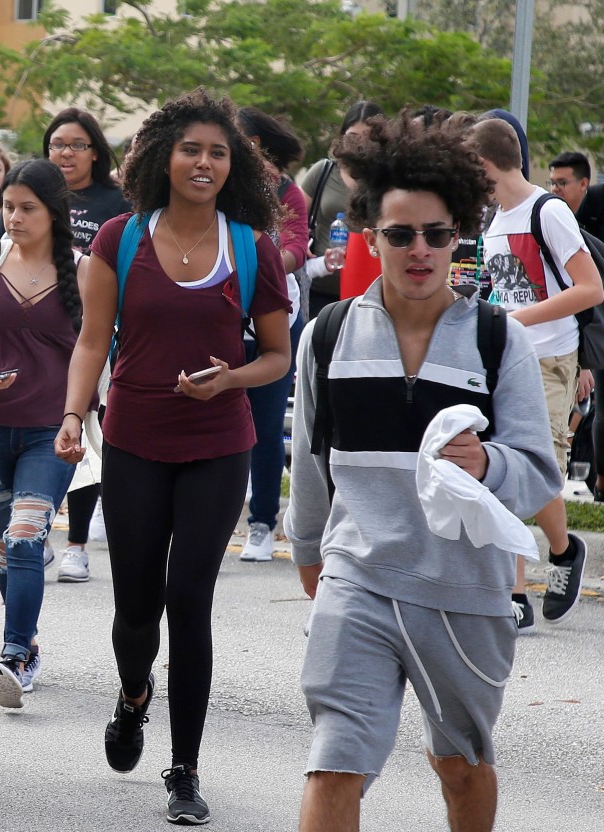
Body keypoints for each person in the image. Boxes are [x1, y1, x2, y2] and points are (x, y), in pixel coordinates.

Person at [285, 114, 561, 832]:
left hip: (464, 593)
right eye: (401, 234)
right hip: (358, 579)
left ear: (458, 237)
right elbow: (310, 461)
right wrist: (312, 551)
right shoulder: (330, 334)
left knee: (461, 765)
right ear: (369, 235)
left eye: (438, 234)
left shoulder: (501, 342)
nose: (420, 250)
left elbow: (537, 474)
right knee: (334, 759)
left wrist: (488, 463)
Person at [55, 88, 291, 825]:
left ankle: (184, 769)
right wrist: (72, 412)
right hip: (133, 439)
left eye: (219, 152)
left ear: (234, 167)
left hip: (220, 445)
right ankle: (133, 698)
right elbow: (93, 339)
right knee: (136, 607)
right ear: (164, 156)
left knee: (190, 601)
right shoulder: (119, 239)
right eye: (192, 148)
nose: (204, 162)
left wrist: (231, 378)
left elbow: (278, 356)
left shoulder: (251, 248)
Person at [469, 117, 603, 629]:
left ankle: (565, 550)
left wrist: (515, 318)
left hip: (550, 358)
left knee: (540, 467)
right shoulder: (493, 220)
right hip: (505, 359)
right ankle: (516, 595)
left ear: (485, 164)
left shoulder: (546, 212)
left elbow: (590, 288)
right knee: (507, 467)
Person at [0, 158, 87, 707]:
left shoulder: (85, 272)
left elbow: (99, 353)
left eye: (27, 208)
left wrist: (78, 416)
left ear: (55, 212)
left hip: (50, 432)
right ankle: (30, 642)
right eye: (9, 207)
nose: (13, 217)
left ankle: (14, 654)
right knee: (3, 548)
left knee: (23, 537)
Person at [39, 107, 133, 582]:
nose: (66, 153)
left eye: (77, 145)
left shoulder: (116, 202)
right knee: (40, 432)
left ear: (95, 152)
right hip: (38, 333)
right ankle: (38, 532)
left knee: (85, 431)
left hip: (95, 332)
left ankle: (76, 544)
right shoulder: (34, 194)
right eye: (57, 144)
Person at [235, 106, 307, 562]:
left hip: (274, 311)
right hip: (219, 311)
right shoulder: (224, 187)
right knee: (217, 417)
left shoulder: (288, 193)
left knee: (263, 425)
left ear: (257, 144)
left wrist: (256, 267)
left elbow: (298, 248)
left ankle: (262, 522)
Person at [548, 151, 604, 501]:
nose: (555, 189)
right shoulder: (560, 216)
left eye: (562, 183)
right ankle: (599, 485)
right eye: (552, 182)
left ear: (583, 183)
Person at [298, 101, 384, 316]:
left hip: (372, 294)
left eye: (368, 136)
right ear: (342, 136)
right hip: (320, 291)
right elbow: (291, 217)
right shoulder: (324, 171)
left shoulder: (389, 178)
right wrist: (297, 242)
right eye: (353, 135)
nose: (360, 143)